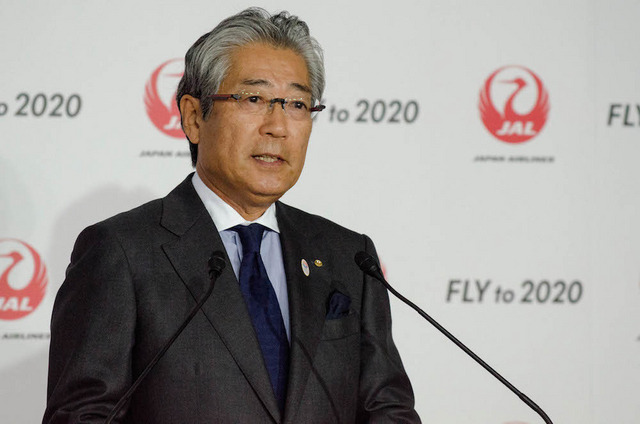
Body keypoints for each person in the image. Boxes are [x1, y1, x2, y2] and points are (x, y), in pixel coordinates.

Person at [44, 7, 420, 424]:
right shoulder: (122, 252)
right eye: (254, 99)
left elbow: (388, 411)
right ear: (194, 117)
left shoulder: (348, 256)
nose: (278, 126)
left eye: (297, 104)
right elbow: (83, 416)